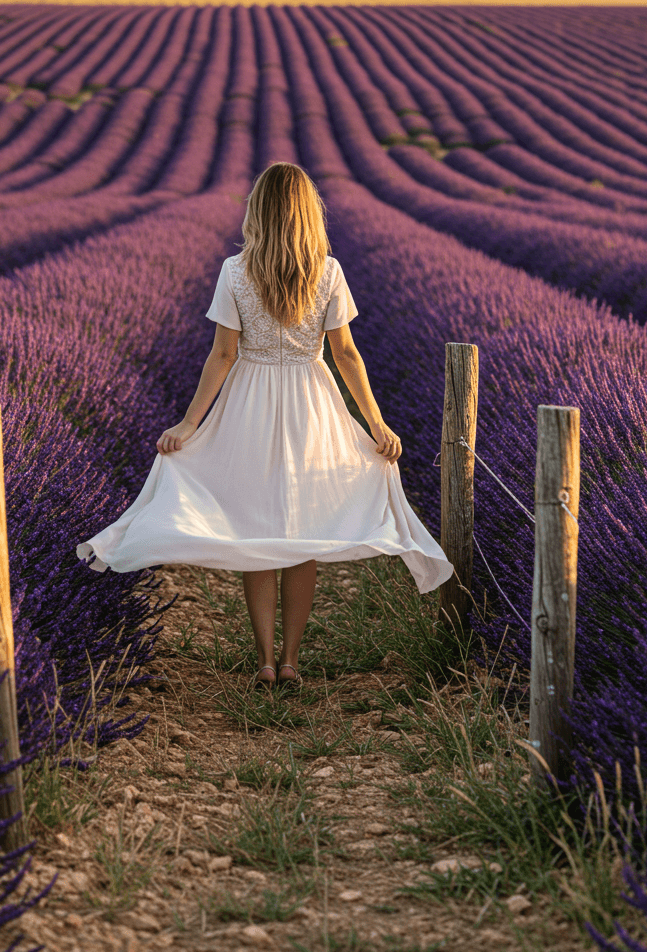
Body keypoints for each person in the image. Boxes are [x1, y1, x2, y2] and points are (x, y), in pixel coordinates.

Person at [77, 163, 453, 687]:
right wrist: (376, 424)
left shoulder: (235, 271)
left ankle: (265, 663)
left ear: (258, 212)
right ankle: (294, 660)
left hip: (250, 401)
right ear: (308, 214)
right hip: (311, 403)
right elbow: (346, 355)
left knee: (256, 531)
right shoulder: (327, 271)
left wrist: (189, 424)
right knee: (301, 536)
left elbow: (224, 354)